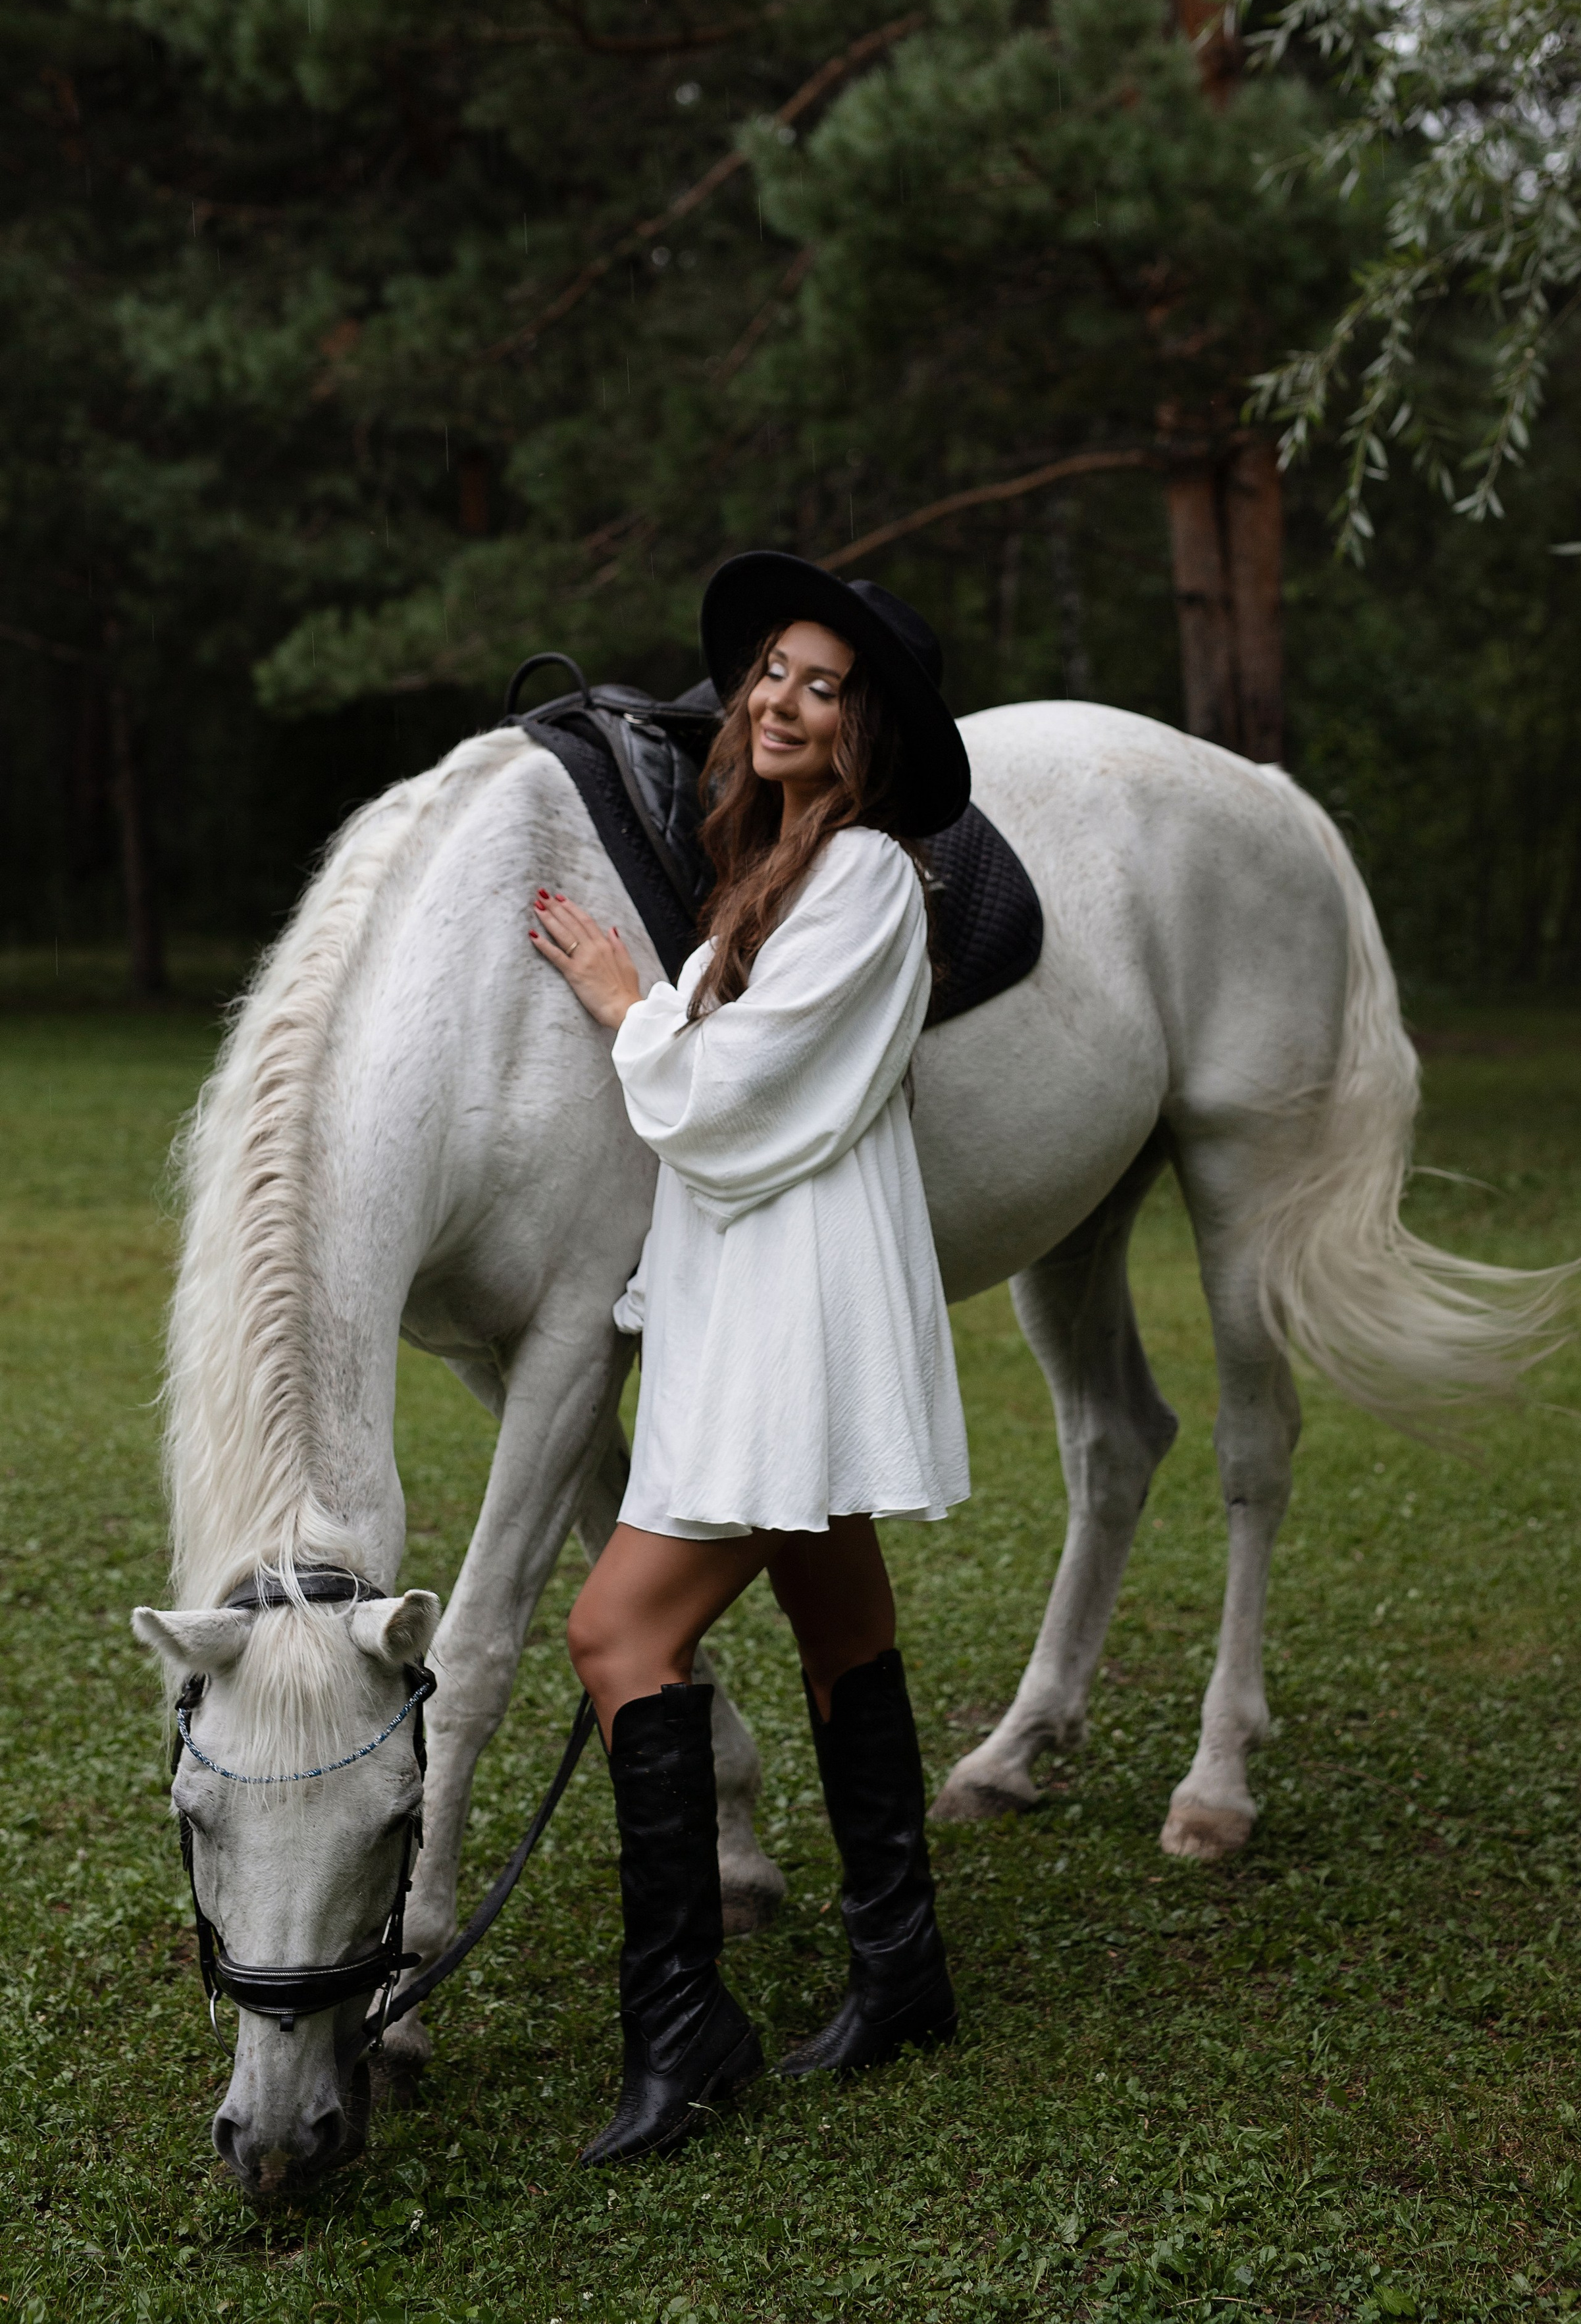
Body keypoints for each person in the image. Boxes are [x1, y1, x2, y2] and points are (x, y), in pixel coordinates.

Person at [529, 551, 973, 2168]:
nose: (780, 701)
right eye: (770, 674)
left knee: (612, 1631)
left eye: (821, 684)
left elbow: (732, 1108)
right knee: (833, 1606)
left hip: (795, 1307)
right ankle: (901, 1964)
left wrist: (624, 1001)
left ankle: (682, 2026)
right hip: (756, 1293)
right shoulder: (771, 870)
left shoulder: (857, 877)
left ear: (866, 728)